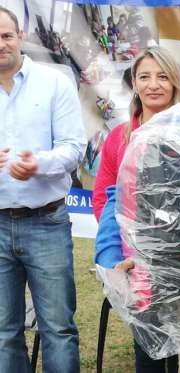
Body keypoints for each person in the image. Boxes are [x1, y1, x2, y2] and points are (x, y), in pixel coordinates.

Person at [0, 6, 85, 372]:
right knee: (3, 331)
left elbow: (73, 148)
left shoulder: (54, 83)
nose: (0, 43)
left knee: (58, 329)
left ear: (21, 38)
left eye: (6, 35)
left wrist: (38, 165)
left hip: (46, 222)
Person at [93, 47, 180, 373]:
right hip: (135, 268)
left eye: (162, 76)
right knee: (148, 352)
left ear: (175, 82)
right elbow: (105, 200)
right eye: (144, 76)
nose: (153, 84)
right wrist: (113, 257)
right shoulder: (119, 138)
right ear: (134, 82)